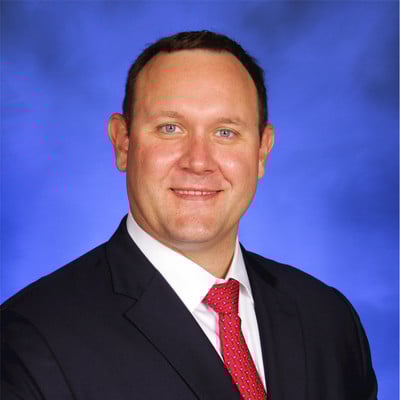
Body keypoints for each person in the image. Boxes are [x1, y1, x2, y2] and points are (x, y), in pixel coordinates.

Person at [1, 30, 377, 400]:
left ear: (262, 151)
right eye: (170, 128)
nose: (198, 161)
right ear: (123, 143)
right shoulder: (30, 339)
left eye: (225, 132)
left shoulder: (328, 320)